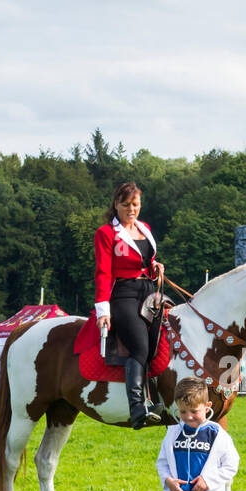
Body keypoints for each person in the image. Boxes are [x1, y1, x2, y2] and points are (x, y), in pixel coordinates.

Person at [95, 181, 165, 428]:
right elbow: (103, 272)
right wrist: (102, 309)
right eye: (126, 205)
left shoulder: (144, 228)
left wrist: (156, 268)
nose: (131, 209)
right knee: (140, 347)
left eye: (135, 204)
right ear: (116, 205)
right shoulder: (106, 233)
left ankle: (162, 398)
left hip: (149, 291)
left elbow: (148, 259)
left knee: (164, 341)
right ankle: (137, 408)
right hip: (123, 294)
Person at [152, 377, 239, 491]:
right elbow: (162, 463)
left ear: (207, 407)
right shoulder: (173, 433)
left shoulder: (217, 434)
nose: (189, 417)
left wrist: (208, 481)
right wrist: (168, 480)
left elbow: (231, 464)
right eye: (183, 412)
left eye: (194, 411)